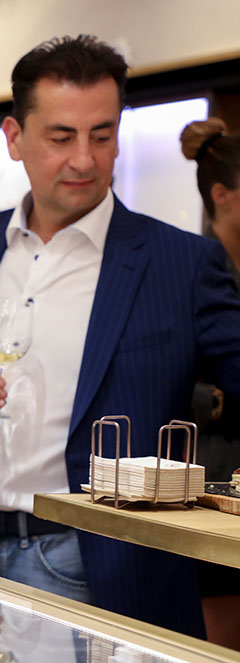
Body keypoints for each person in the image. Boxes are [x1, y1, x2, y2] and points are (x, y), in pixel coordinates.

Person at [0, 35, 240, 638]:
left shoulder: (180, 263)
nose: (84, 159)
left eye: (101, 136)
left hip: (94, 560)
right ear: (14, 138)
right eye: (61, 137)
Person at [180, 117, 240, 649]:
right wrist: (214, 401)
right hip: (213, 472)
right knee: (217, 632)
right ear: (222, 195)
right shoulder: (195, 266)